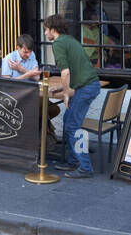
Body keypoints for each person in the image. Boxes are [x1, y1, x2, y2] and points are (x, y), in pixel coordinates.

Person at [43, 14, 101, 179]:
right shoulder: (70, 40)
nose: (45, 33)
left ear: (53, 29)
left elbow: (66, 71)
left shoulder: (59, 43)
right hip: (89, 85)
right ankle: (73, 161)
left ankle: (85, 167)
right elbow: (75, 69)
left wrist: (66, 93)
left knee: (72, 127)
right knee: (69, 121)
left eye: (46, 29)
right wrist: (62, 86)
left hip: (85, 88)